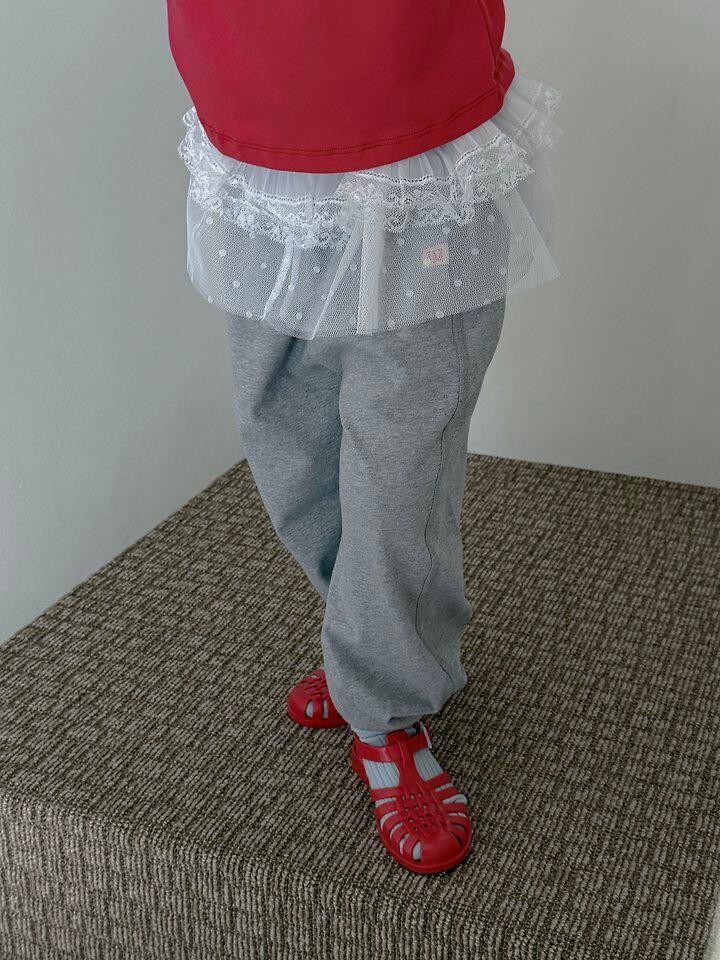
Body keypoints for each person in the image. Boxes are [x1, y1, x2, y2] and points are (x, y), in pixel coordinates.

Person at [167, 0, 561, 874]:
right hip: (249, 110)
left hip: (412, 113)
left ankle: (385, 703)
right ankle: (366, 644)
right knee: (284, 427)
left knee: (401, 452)